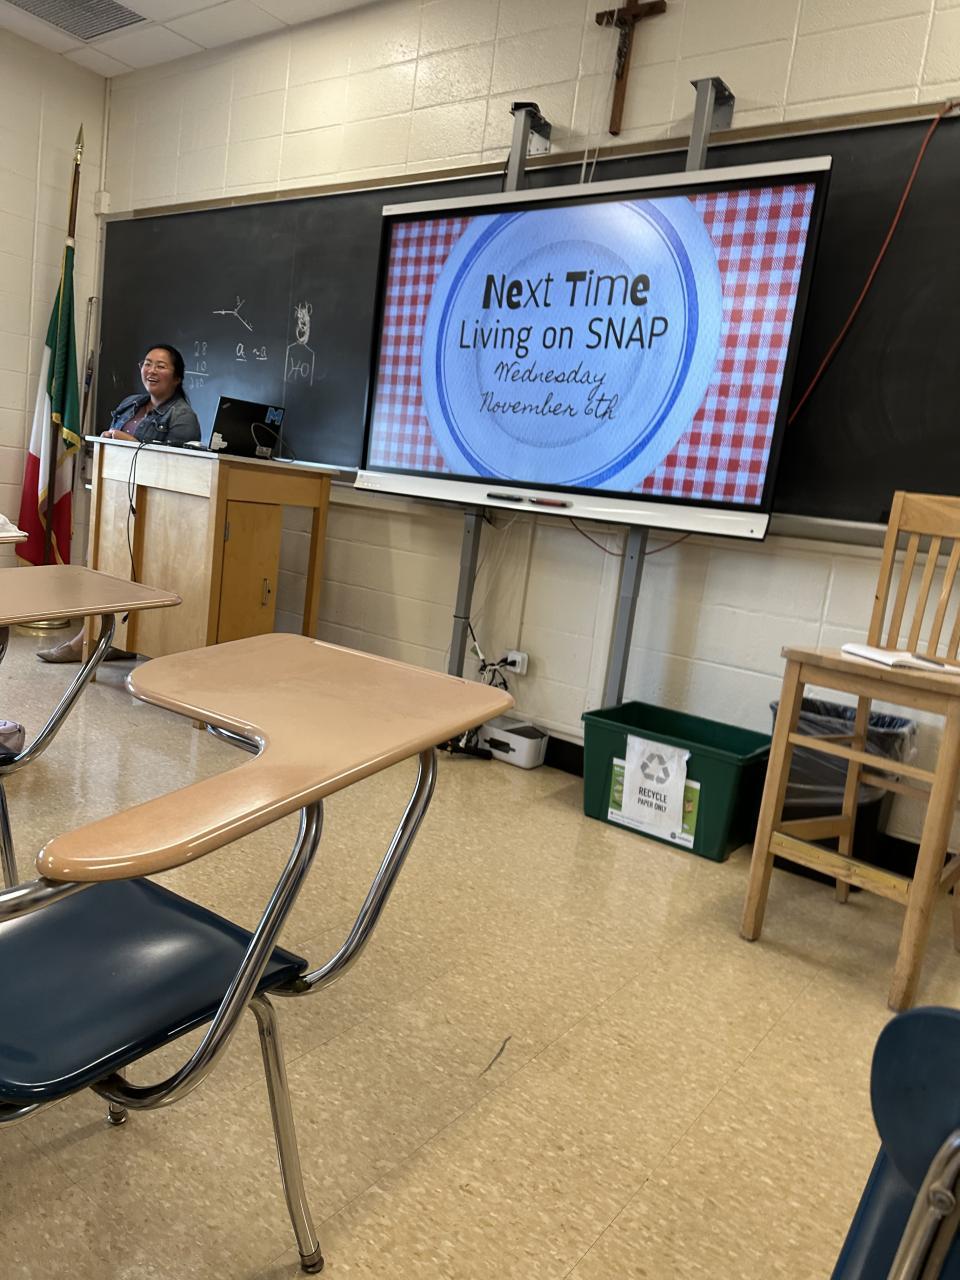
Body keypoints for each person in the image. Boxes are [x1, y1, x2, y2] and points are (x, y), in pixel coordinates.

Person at [37, 344, 201, 664]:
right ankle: (99, 639)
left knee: (136, 575)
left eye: (161, 366)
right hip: (115, 501)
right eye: (147, 363)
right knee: (105, 571)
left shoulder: (183, 417)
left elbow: (180, 466)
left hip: (155, 512)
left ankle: (98, 641)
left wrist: (133, 443)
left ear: (177, 377)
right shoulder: (131, 403)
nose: (151, 371)